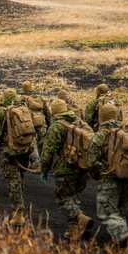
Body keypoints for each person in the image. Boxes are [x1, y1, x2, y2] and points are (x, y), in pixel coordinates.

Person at [40, 99, 93, 242]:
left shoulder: (57, 127)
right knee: (74, 197)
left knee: (63, 198)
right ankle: (72, 232)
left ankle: (80, 217)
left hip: (66, 169)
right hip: (82, 168)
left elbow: (48, 151)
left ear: (55, 112)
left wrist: (44, 170)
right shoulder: (80, 123)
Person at [87, 103, 128, 248]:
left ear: (101, 116)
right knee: (120, 214)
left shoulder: (100, 135)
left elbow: (90, 162)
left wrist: (97, 175)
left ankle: (127, 238)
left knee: (106, 213)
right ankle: (120, 248)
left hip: (109, 180)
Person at [0, 88, 34, 226]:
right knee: (19, 178)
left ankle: (18, 216)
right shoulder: (25, 110)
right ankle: (20, 206)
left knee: (12, 182)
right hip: (24, 150)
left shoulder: (1, 112)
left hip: (8, 152)